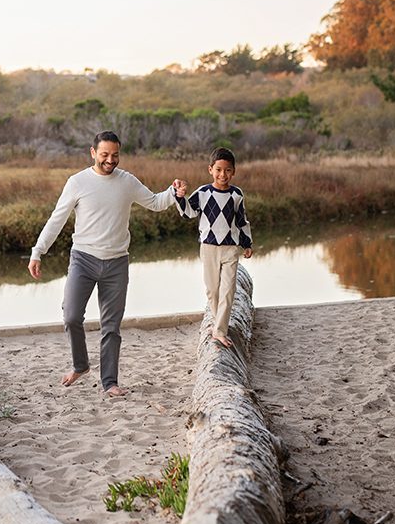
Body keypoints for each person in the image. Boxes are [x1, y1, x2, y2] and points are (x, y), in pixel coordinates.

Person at [28, 131, 183, 397]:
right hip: (83, 260)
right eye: (104, 155)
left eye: (115, 155)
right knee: (71, 316)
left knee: (111, 326)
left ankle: (110, 382)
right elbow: (56, 220)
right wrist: (37, 252)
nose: (110, 160)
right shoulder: (77, 182)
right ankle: (80, 365)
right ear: (93, 153)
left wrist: (173, 192)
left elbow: (155, 202)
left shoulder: (127, 181)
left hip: (116, 263)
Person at [174, 147, 253, 348]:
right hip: (208, 248)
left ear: (233, 171)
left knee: (228, 290)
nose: (222, 174)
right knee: (212, 290)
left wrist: (247, 243)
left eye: (227, 170)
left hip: (231, 248)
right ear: (210, 169)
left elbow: (242, 221)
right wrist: (180, 197)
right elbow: (188, 213)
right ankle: (219, 324)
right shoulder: (203, 193)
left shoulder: (236, 194)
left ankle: (219, 331)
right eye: (218, 170)